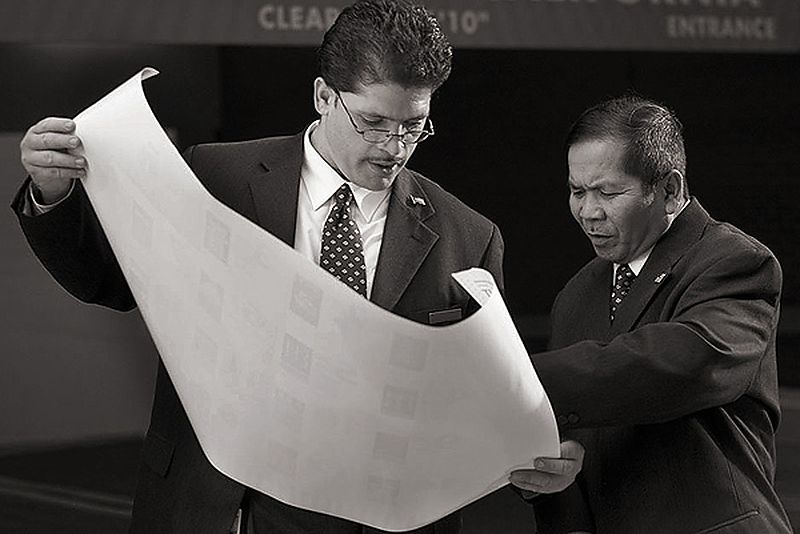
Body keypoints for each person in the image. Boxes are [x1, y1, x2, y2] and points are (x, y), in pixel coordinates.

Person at [12, 1, 581, 533]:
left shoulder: (469, 236)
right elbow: (109, 282)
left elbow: (483, 396)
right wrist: (52, 194)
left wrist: (530, 459)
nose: (393, 147)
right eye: (373, 122)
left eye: (413, 126)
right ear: (323, 96)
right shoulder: (214, 178)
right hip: (221, 502)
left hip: (381, 516)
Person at [524, 95, 793, 533]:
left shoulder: (735, 261)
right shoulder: (576, 295)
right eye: (577, 191)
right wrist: (541, 474)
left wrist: (518, 379)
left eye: (608, 192)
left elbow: (686, 364)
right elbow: (569, 435)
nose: (589, 212)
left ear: (669, 190)